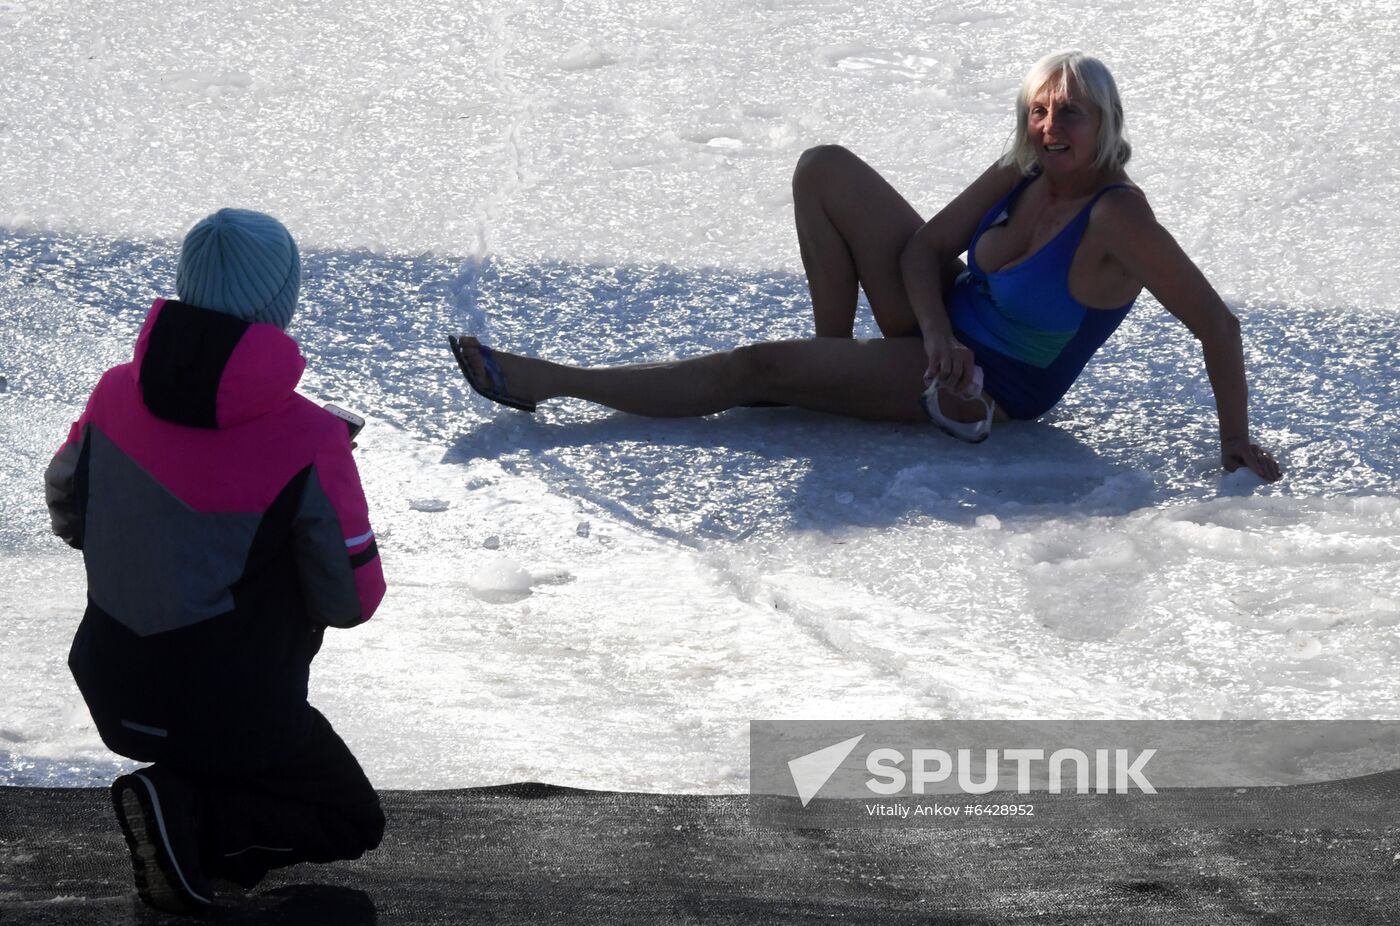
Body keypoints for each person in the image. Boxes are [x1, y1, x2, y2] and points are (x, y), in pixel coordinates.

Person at [450, 50, 1281, 481]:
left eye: (1071, 114)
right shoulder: (1023, 167)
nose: (1050, 127)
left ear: (1107, 122)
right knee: (824, 168)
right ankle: (833, 362)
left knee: (755, 368)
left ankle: (550, 382)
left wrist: (1234, 438)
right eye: (1039, 111)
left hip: (993, 383)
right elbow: (926, 249)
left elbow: (1217, 323)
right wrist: (934, 332)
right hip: (943, 331)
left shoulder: (1117, 216)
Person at [44, 209, 388, 912]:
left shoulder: (113, 393)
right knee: (348, 817)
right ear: (282, 302)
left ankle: (178, 836)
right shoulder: (309, 436)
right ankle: (189, 816)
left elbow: (68, 502)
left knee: (222, 726)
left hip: (111, 680)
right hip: (238, 707)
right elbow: (349, 602)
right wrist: (316, 479)